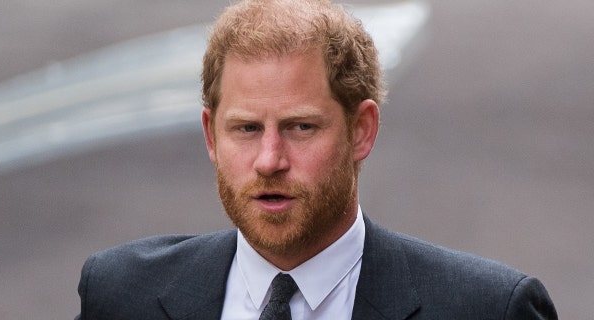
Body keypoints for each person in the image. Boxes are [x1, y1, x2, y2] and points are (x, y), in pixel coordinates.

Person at [75, 0, 557, 319]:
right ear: (210, 135)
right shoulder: (120, 295)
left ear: (361, 130)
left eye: (300, 127)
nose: (269, 160)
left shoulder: (488, 310)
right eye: (246, 129)